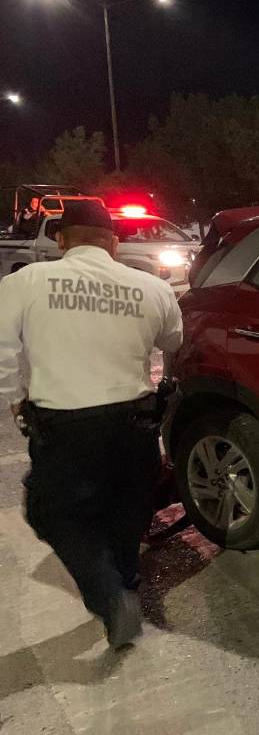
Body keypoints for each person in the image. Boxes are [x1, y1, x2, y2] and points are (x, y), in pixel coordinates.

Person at [0, 200, 183, 648]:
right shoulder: (151, 287)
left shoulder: (24, 282)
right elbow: (173, 339)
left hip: (65, 424)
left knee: (53, 512)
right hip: (135, 422)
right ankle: (126, 583)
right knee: (126, 507)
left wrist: (12, 400)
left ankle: (110, 595)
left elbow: (2, 351)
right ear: (114, 244)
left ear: (61, 240)